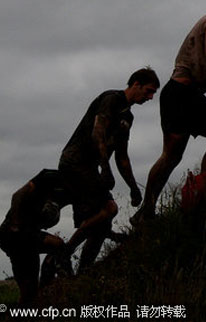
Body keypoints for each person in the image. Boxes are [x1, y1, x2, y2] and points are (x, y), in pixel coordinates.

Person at [132, 0, 206, 224]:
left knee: (171, 156)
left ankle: (147, 211)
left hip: (177, 93)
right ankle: (204, 195)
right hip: (184, 94)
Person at [56, 67, 159, 271]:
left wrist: (133, 187)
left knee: (102, 225)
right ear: (136, 84)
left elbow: (122, 156)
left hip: (90, 167)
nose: (150, 97)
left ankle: (84, 270)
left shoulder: (127, 118)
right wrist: (105, 168)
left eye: (153, 93)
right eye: (148, 91)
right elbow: (98, 133)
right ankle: (63, 253)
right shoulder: (111, 99)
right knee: (110, 208)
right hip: (74, 163)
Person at [0, 170, 72, 304]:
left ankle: (39, 297)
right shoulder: (49, 177)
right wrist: (15, 225)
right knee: (58, 245)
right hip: (12, 233)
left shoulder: (74, 191)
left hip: (28, 237)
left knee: (29, 293)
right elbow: (17, 196)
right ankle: (50, 289)